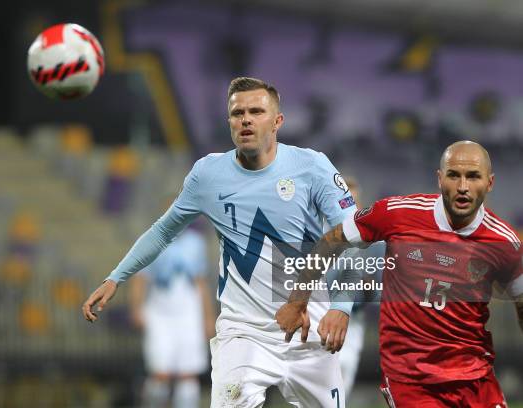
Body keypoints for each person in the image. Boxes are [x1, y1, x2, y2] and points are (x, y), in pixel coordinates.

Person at [83, 76, 355, 407]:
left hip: (309, 330)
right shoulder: (207, 175)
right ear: (229, 121)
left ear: (278, 121)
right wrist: (117, 276)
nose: (246, 120)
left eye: (256, 111)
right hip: (243, 334)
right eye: (238, 113)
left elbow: (353, 236)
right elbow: (163, 229)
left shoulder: (312, 166)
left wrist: (341, 306)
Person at [276, 141, 523, 407]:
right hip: (411, 380)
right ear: (440, 179)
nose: (462, 186)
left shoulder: (504, 243)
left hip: (476, 378)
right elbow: (333, 240)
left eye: (473, 176)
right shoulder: (398, 214)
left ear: (490, 182)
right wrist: (299, 299)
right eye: (454, 175)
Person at [129, 228, 215, 408]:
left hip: (189, 311)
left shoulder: (195, 242)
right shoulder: (150, 239)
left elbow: (201, 282)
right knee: (160, 374)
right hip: (159, 310)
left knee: (188, 375)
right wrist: (137, 308)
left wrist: (208, 317)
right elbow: (140, 278)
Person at [326, 177, 384, 399]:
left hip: (352, 323)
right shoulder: (319, 237)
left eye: (353, 202)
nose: (349, 209)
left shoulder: (374, 244)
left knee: (343, 382)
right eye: (343, 202)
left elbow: (376, 292)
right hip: (318, 318)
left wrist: (370, 286)